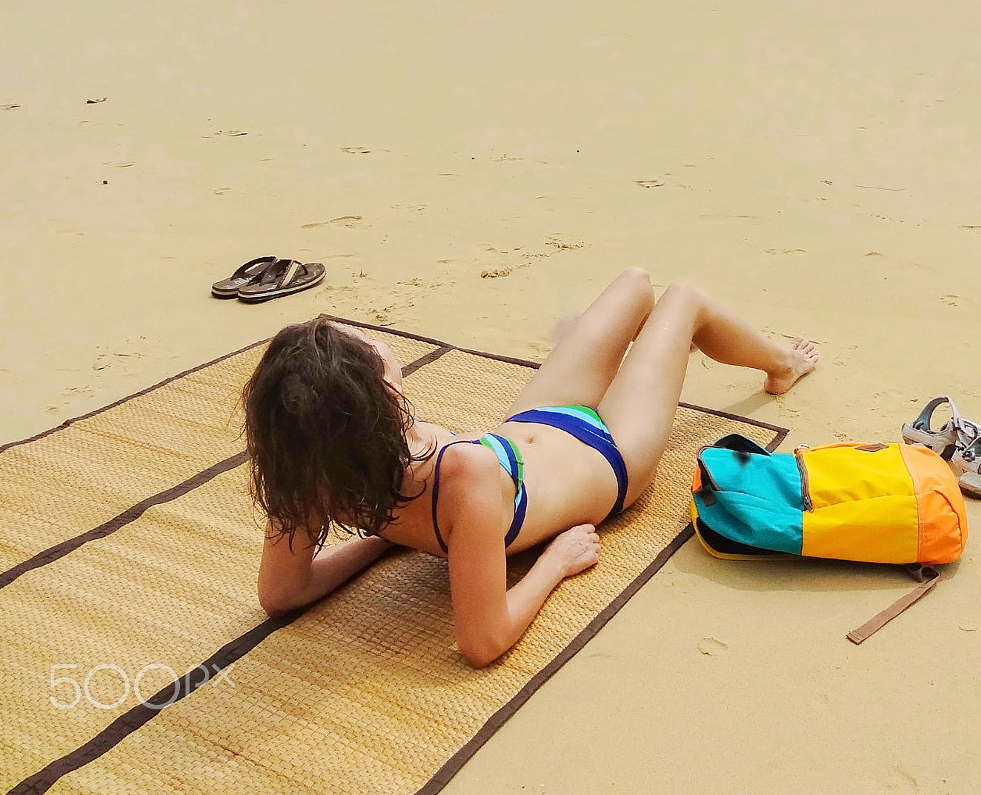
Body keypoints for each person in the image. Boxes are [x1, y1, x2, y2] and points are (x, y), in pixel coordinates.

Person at [244, 268, 818, 667]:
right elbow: (481, 640)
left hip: (534, 422)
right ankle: (782, 363)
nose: (376, 341)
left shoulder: (310, 469)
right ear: (388, 396)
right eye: (374, 351)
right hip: (612, 455)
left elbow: (282, 592)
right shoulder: (460, 476)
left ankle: (694, 352)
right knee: (685, 298)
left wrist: (383, 538)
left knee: (636, 285)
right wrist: (554, 564)